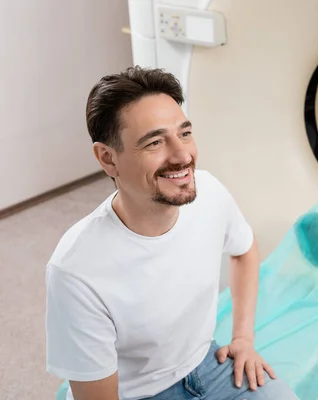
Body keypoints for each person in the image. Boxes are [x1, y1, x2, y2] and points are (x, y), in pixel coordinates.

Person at [45, 67, 299, 400]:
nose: (182, 156)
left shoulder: (209, 192)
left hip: (208, 365)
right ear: (108, 158)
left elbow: (244, 250)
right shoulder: (76, 269)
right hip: (135, 393)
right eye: (154, 142)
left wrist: (242, 340)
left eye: (185, 133)